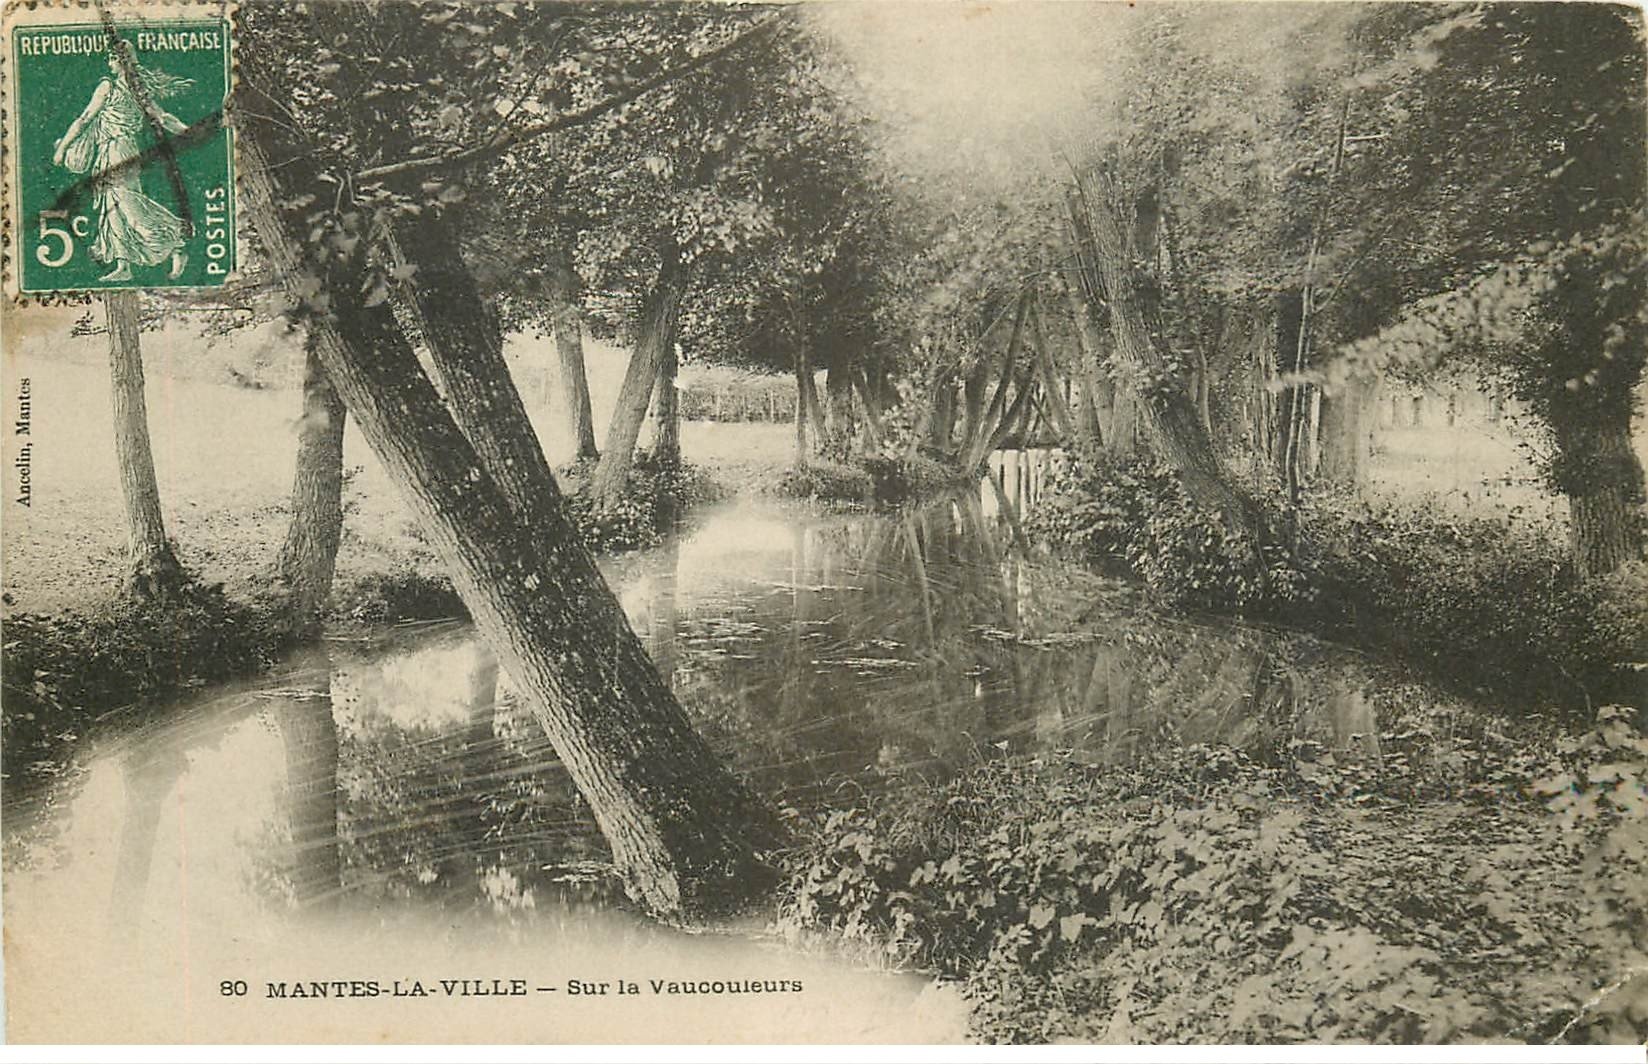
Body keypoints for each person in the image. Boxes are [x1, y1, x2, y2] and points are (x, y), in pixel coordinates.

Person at [52, 43, 193, 282]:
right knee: (111, 207)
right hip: (114, 152)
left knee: (128, 205)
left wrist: (63, 148)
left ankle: (178, 241)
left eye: (112, 59)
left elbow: (84, 118)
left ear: (122, 60)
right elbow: (164, 118)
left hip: (119, 150)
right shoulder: (137, 88)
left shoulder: (109, 86)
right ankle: (123, 265)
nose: (110, 64)